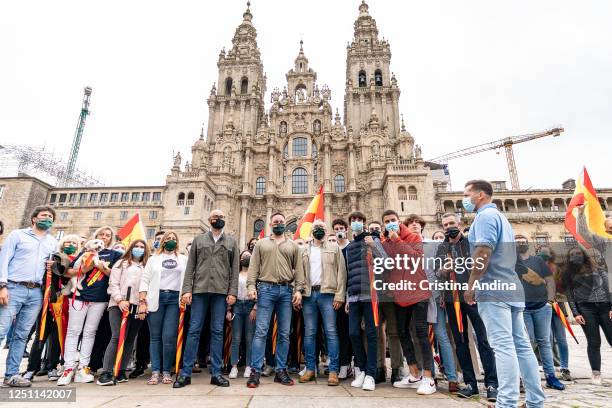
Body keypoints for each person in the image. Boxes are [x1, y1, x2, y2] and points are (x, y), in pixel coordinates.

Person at [462, 180, 545, 408]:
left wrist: (471, 283)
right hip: (511, 287)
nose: (464, 199)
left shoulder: (485, 217)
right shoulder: (502, 219)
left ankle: (506, 402)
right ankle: (535, 401)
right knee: (521, 345)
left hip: (493, 289)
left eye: (466, 194)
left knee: (502, 346)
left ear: (480, 195)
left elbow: (483, 250)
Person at [435, 213, 498, 400]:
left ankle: (492, 384)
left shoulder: (471, 244)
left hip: (474, 298)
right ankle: (470, 383)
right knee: (460, 342)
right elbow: (437, 273)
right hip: (452, 299)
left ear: (459, 224)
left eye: (451, 223)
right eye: (445, 225)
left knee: (483, 340)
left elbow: (484, 267)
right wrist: (444, 270)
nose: (448, 227)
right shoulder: (442, 248)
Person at [174, 210, 239, 388]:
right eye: (216, 217)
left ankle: (216, 373)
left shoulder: (232, 242)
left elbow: (235, 270)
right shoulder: (199, 240)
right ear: (210, 220)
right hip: (199, 291)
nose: (219, 219)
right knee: (194, 330)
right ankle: (185, 373)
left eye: (222, 217)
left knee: (217, 331)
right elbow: (190, 267)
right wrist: (187, 289)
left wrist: (233, 292)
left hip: (220, 292)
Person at [57, 226, 123, 386]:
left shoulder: (115, 255)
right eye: (102, 234)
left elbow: (115, 275)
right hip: (79, 296)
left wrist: (100, 266)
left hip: (100, 298)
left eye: (108, 235)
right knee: (73, 331)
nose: (105, 237)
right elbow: (68, 272)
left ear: (111, 239)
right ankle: (68, 367)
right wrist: (85, 268)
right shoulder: (84, 252)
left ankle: (83, 367)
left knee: (90, 332)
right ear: (96, 236)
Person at [0, 206, 57, 387]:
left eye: (50, 216)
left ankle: (12, 374)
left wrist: (52, 266)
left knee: (22, 335)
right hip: (14, 287)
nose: (47, 218)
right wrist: (2, 285)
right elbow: (4, 259)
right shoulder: (17, 235)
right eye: (43, 215)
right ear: (34, 218)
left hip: (36, 292)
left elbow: (54, 268)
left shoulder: (52, 242)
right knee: (1, 330)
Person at [246, 212, 305, 388]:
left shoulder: (293, 246)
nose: (278, 224)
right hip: (265, 289)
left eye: (281, 221)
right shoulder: (261, 244)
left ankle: (281, 370)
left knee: (284, 333)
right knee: (261, 331)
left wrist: (299, 290)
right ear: (270, 224)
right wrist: (251, 287)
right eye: (276, 222)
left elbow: (299, 270)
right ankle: (256, 371)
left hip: (286, 291)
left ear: (285, 224)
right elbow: (253, 267)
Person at [379, 211, 435, 395]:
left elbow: (415, 258)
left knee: (420, 333)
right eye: (387, 222)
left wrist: (397, 240)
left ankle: (429, 378)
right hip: (400, 294)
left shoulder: (413, 236)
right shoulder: (384, 242)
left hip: (418, 292)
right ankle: (414, 374)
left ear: (399, 221)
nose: (390, 224)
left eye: (393, 220)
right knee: (402, 332)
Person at [23, 234, 80, 382]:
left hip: (66, 303)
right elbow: (57, 271)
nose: (70, 244)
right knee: (41, 336)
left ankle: (52, 366)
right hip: (50, 301)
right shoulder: (54, 257)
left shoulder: (78, 260)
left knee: (57, 337)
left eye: (74, 242)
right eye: (68, 242)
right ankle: (31, 368)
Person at [298, 220, 346, 386]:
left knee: (331, 332)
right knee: (310, 332)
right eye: (316, 228)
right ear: (312, 231)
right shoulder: (303, 249)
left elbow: (341, 273)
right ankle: (311, 369)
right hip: (308, 295)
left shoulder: (334, 248)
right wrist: (298, 292)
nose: (319, 230)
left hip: (328, 294)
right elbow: (299, 273)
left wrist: (340, 295)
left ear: (327, 231)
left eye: (322, 228)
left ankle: (333, 370)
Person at [515, 235, 565, 390]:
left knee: (544, 342)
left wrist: (550, 301)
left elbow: (550, 281)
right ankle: (527, 378)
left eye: (523, 242)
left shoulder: (537, 261)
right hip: (523, 309)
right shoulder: (511, 263)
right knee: (527, 342)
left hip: (542, 307)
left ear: (527, 244)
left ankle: (551, 377)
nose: (520, 244)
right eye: (517, 242)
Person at [97, 239, 149, 385]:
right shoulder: (121, 263)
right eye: (136, 246)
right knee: (117, 336)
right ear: (131, 248)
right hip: (119, 304)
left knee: (130, 339)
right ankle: (106, 372)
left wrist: (144, 304)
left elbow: (149, 286)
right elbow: (113, 283)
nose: (138, 249)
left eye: (141, 247)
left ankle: (120, 370)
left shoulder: (147, 266)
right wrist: (120, 300)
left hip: (138, 306)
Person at [345, 211, 387, 391]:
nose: (356, 222)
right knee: (353, 333)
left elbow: (386, 261)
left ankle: (371, 374)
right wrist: (347, 297)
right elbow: (348, 272)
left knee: (371, 334)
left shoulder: (372, 240)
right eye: (353, 220)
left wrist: (374, 245)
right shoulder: (349, 247)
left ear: (364, 223)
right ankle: (361, 370)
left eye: (359, 220)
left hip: (371, 294)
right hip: (354, 296)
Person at [138, 230, 188, 385]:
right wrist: (142, 301)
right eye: (168, 239)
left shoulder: (183, 259)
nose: (171, 241)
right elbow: (145, 279)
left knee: (169, 337)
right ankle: (155, 371)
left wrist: (186, 294)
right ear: (163, 241)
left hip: (174, 299)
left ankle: (166, 371)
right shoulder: (154, 259)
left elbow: (187, 279)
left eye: (174, 238)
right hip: (156, 297)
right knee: (155, 337)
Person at [562, 246, 612, 385]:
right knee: (594, 342)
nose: (576, 256)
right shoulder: (568, 275)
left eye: (578, 253)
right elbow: (569, 296)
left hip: (605, 307)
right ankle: (596, 373)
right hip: (586, 309)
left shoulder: (599, 270)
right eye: (572, 254)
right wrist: (576, 313)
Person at [537, 244, 572, 381]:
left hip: (557, 307)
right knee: (546, 339)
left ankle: (565, 367)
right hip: (541, 307)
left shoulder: (558, 269)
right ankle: (548, 368)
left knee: (561, 339)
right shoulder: (534, 267)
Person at [228, 250, 256, 379]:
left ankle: (248, 366)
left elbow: (259, 291)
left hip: (250, 305)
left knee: (249, 339)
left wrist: (255, 307)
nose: (246, 258)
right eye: (244, 256)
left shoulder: (255, 275)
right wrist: (228, 310)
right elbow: (230, 292)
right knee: (236, 338)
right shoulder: (235, 275)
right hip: (237, 306)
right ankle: (234, 366)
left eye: (249, 256)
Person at [331, 218, 352, 380]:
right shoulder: (331, 249)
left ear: (346, 229)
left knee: (350, 332)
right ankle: (339, 364)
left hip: (348, 296)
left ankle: (350, 365)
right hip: (334, 296)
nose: (339, 230)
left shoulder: (351, 248)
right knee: (336, 331)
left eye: (341, 228)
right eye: (336, 228)